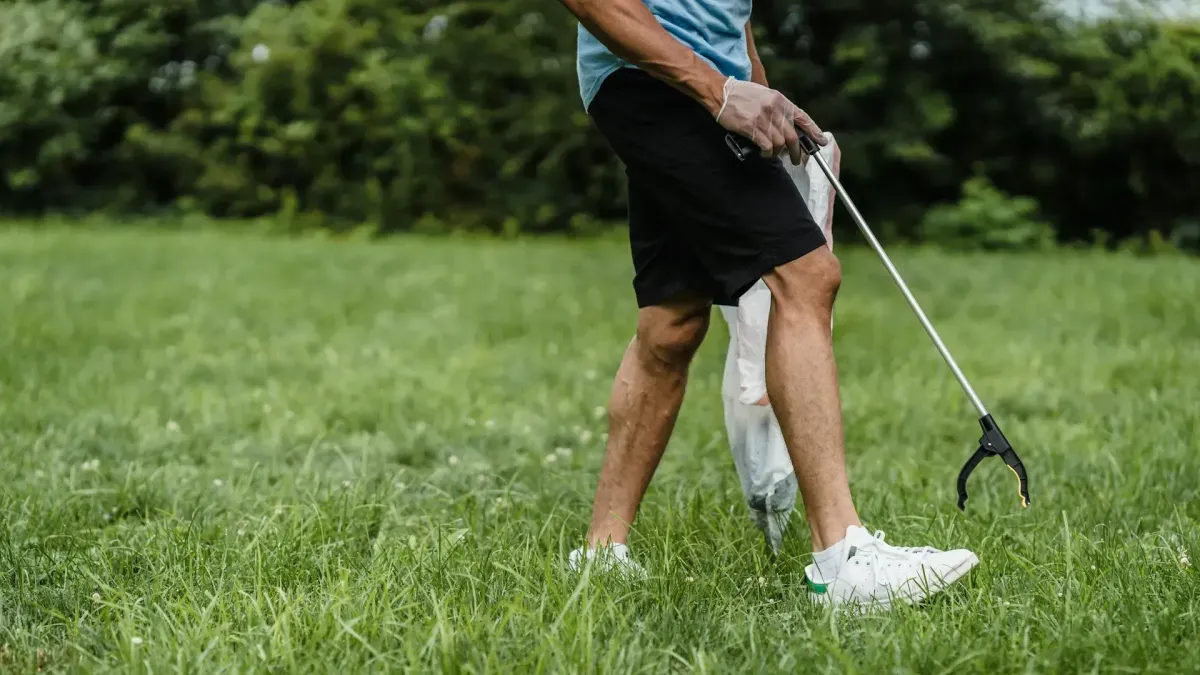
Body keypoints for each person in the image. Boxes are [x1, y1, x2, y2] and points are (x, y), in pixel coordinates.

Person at [557, 0, 979, 608]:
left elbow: (729, 13)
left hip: (691, 84)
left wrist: (757, 90)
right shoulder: (689, 82)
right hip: (658, 78)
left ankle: (601, 553)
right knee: (806, 276)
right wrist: (721, 91)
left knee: (672, 321)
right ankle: (843, 560)